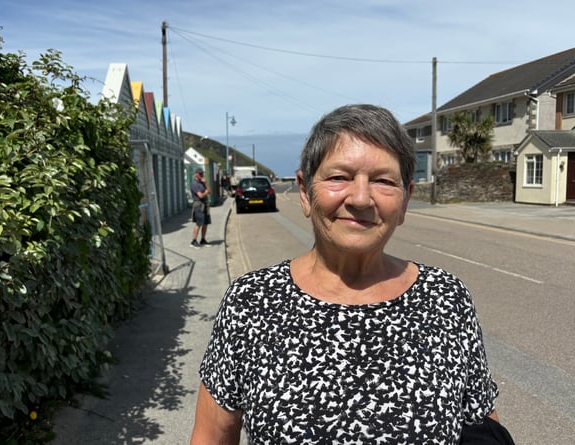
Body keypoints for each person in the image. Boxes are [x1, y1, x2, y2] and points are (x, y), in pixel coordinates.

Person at [190, 105, 508, 444]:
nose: (360, 198)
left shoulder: (446, 299)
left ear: (405, 202)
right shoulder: (251, 302)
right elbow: (211, 435)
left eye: (383, 181)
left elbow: (483, 430)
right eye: (339, 177)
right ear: (304, 191)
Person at [190, 168, 211, 248]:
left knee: (205, 223)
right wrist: (206, 192)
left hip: (205, 204)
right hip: (198, 205)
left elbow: (210, 191)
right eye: (200, 174)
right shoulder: (194, 184)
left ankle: (203, 239)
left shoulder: (202, 183)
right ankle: (193, 241)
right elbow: (200, 195)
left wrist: (205, 183)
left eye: (202, 173)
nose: (201, 175)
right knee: (199, 223)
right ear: (196, 174)